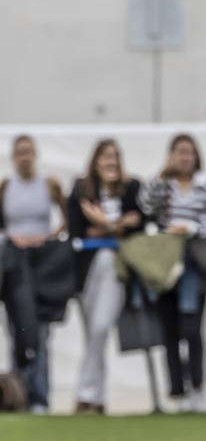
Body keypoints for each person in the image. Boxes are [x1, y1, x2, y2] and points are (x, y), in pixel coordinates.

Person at [67, 138, 146, 414]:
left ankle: (84, 394)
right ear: (95, 162)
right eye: (105, 157)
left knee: (101, 327)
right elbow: (78, 232)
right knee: (92, 335)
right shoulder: (80, 190)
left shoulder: (132, 188)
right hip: (87, 270)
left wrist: (101, 224)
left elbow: (140, 226)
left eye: (114, 156)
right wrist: (117, 226)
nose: (110, 161)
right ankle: (98, 399)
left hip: (115, 266)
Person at [138, 133, 206, 413]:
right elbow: (147, 207)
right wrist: (160, 175)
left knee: (192, 329)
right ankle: (177, 392)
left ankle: (197, 388)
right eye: (179, 152)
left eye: (189, 152)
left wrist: (191, 229)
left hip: (193, 262)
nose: (185, 158)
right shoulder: (163, 185)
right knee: (170, 330)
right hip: (165, 262)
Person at [0, 134, 66, 412]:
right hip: (15, 262)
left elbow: (68, 217)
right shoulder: (6, 187)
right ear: (14, 157)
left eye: (29, 152)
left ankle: (40, 396)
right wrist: (14, 239)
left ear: (35, 155)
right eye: (20, 152)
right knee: (17, 329)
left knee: (40, 331)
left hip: (42, 262)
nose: (25, 157)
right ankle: (18, 395)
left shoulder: (49, 185)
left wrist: (51, 237)